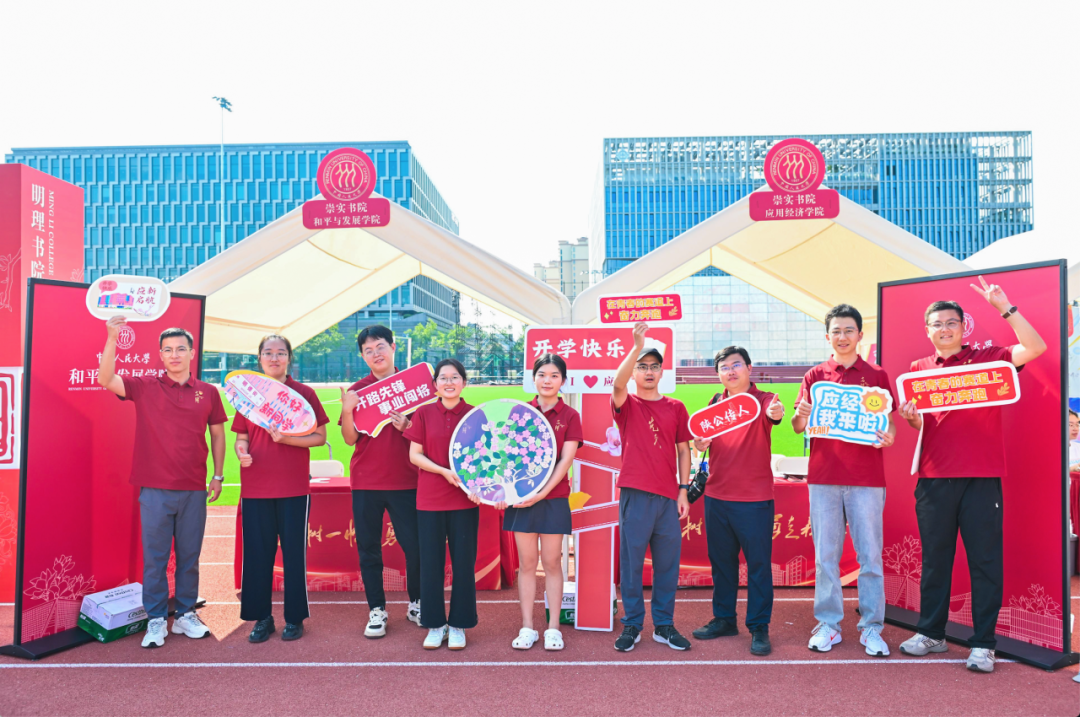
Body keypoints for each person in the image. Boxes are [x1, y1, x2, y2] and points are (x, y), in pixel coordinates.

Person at [897, 276, 1046, 673]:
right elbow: (926, 425)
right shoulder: (918, 369)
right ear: (926, 330)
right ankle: (932, 634)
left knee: (984, 561)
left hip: (981, 477)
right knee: (935, 561)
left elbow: (1035, 348)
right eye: (937, 324)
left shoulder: (989, 358)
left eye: (951, 322)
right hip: (932, 479)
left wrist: (1005, 308)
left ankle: (983, 644)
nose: (944, 329)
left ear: (964, 327)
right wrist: (912, 419)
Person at [97, 317, 227, 649]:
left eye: (181, 349)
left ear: (192, 353)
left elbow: (217, 435)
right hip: (154, 489)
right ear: (160, 354)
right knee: (155, 559)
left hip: (194, 488)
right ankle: (156, 619)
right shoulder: (145, 386)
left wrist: (218, 475)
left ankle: (185, 614)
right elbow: (106, 379)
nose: (174, 355)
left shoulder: (208, 392)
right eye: (168, 350)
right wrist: (111, 338)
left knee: (189, 557)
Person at [791, 304, 897, 657]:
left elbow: (888, 421)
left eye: (849, 330)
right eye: (836, 331)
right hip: (824, 478)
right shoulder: (815, 375)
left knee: (870, 557)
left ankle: (872, 627)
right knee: (826, 556)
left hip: (867, 479)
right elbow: (798, 426)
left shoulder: (877, 375)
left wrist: (890, 436)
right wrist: (801, 415)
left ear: (860, 335)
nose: (842, 336)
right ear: (828, 336)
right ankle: (829, 624)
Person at [234, 335, 328, 643]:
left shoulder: (304, 394)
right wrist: (241, 451)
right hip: (255, 487)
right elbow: (241, 437)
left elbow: (319, 437)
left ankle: (294, 618)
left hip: (293, 488)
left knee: (294, 556)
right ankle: (262, 618)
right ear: (259, 358)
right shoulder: (248, 393)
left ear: (289, 358)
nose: (274, 358)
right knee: (257, 556)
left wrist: (287, 440)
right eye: (268, 353)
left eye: (280, 353)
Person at [691, 346, 784, 656]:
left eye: (736, 365)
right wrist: (699, 443)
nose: (730, 371)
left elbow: (775, 412)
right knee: (722, 564)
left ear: (749, 368)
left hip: (754, 499)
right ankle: (724, 619)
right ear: (718, 374)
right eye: (724, 367)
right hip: (716, 497)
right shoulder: (715, 403)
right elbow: (702, 442)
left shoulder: (764, 399)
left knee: (758, 566)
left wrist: (776, 413)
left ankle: (758, 626)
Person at [611, 322, 693, 652]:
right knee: (631, 564)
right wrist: (636, 346)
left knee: (667, 566)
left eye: (654, 366)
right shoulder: (627, 403)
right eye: (642, 366)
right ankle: (632, 624)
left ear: (661, 372)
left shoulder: (676, 407)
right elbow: (617, 383)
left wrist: (684, 489)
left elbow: (684, 450)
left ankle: (664, 625)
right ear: (634, 372)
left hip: (668, 498)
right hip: (635, 495)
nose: (648, 371)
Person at [340, 325, 423, 638]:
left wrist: (407, 427)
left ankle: (417, 603)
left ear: (393, 347)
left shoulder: (415, 386)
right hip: (367, 482)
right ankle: (377, 609)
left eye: (380, 347)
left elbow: (428, 435)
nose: (376, 354)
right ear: (363, 356)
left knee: (415, 547)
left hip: (407, 481)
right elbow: (349, 439)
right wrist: (348, 411)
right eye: (368, 350)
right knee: (369, 549)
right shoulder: (358, 390)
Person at [498, 354, 582, 651]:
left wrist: (543, 493)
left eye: (554, 375)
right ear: (533, 378)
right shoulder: (519, 412)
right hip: (521, 498)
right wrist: (505, 492)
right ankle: (527, 627)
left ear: (563, 380)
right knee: (527, 564)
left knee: (552, 562)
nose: (548, 380)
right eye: (542, 375)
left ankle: (553, 628)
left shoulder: (570, 416)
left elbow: (566, 460)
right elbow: (505, 457)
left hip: (553, 498)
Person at [404, 358, 482, 650]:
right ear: (435, 384)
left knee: (463, 564)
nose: (449, 382)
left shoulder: (476, 415)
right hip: (430, 500)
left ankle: (459, 624)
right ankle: (435, 624)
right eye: (443, 378)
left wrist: (479, 487)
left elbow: (486, 458)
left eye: (455, 377)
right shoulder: (423, 413)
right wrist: (443, 471)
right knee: (430, 564)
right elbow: (415, 455)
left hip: (465, 502)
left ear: (464, 382)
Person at [1068, 409, 1079, 473]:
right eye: (1071, 425)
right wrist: (1071, 469)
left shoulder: (1078, 447)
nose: (1076, 429)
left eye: (1077, 425)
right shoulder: (1049, 451)